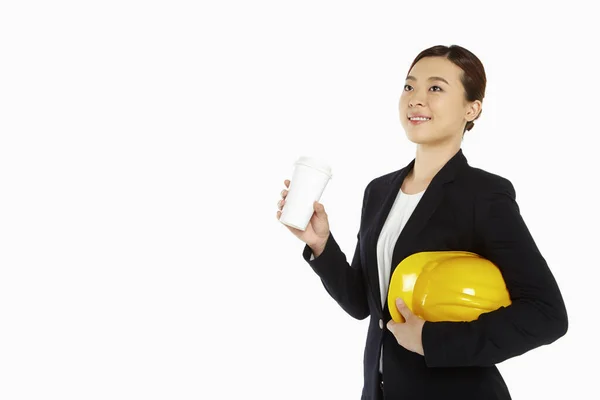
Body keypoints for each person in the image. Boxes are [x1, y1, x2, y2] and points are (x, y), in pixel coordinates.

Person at [276, 44, 568, 400]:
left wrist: (431, 340)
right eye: (409, 86)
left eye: (435, 88)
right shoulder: (379, 191)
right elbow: (362, 304)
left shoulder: (484, 194)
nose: (415, 99)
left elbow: (546, 314)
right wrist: (320, 244)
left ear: (471, 108)